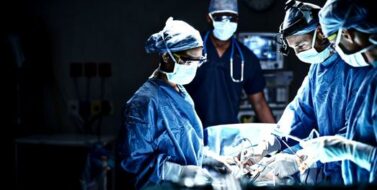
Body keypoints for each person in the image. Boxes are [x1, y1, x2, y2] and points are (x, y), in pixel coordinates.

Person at [241, 0, 371, 185]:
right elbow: (300, 112)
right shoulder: (318, 68)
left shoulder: (359, 66)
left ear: (321, 33)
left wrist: (298, 158)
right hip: (327, 170)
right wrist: (270, 143)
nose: (299, 54)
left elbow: (355, 136)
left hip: (356, 172)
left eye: (301, 46)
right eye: (294, 49)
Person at [118, 17, 211, 189]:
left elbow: (187, 143)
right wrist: (178, 172)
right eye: (189, 61)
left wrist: (209, 160)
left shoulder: (180, 91)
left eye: (199, 61)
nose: (193, 67)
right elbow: (133, 165)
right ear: (167, 57)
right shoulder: (143, 104)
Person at [297, 0, 377, 185]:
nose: (334, 48)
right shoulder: (373, 80)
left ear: (347, 35)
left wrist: (349, 150)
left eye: (333, 41)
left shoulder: (366, 78)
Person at [185, 0, 275, 128]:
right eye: (220, 17)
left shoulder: (246, 58)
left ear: (237, 20)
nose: (226, 22)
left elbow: (259, 103)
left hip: (227, 133)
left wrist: (279, 137)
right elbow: (170, 89)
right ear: (209, 18)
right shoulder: (190, 49)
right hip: (190, 131)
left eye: (231, 18)